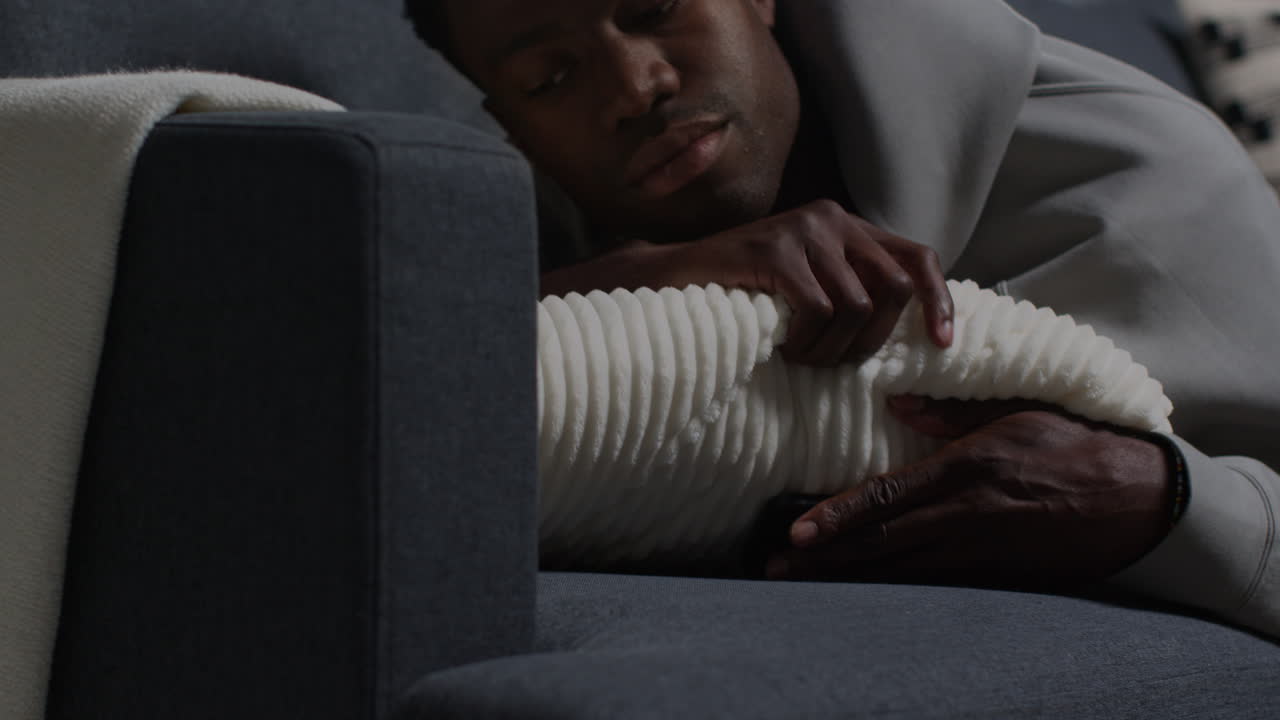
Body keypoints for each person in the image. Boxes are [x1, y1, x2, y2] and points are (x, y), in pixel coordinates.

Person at [404, 0, 1280, 638]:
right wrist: (638, 276)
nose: (636, 87)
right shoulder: (511, 234)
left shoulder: (1138, 174)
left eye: (655, 7)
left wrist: (1163, 502)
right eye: (548, 78)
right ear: (510, 126)